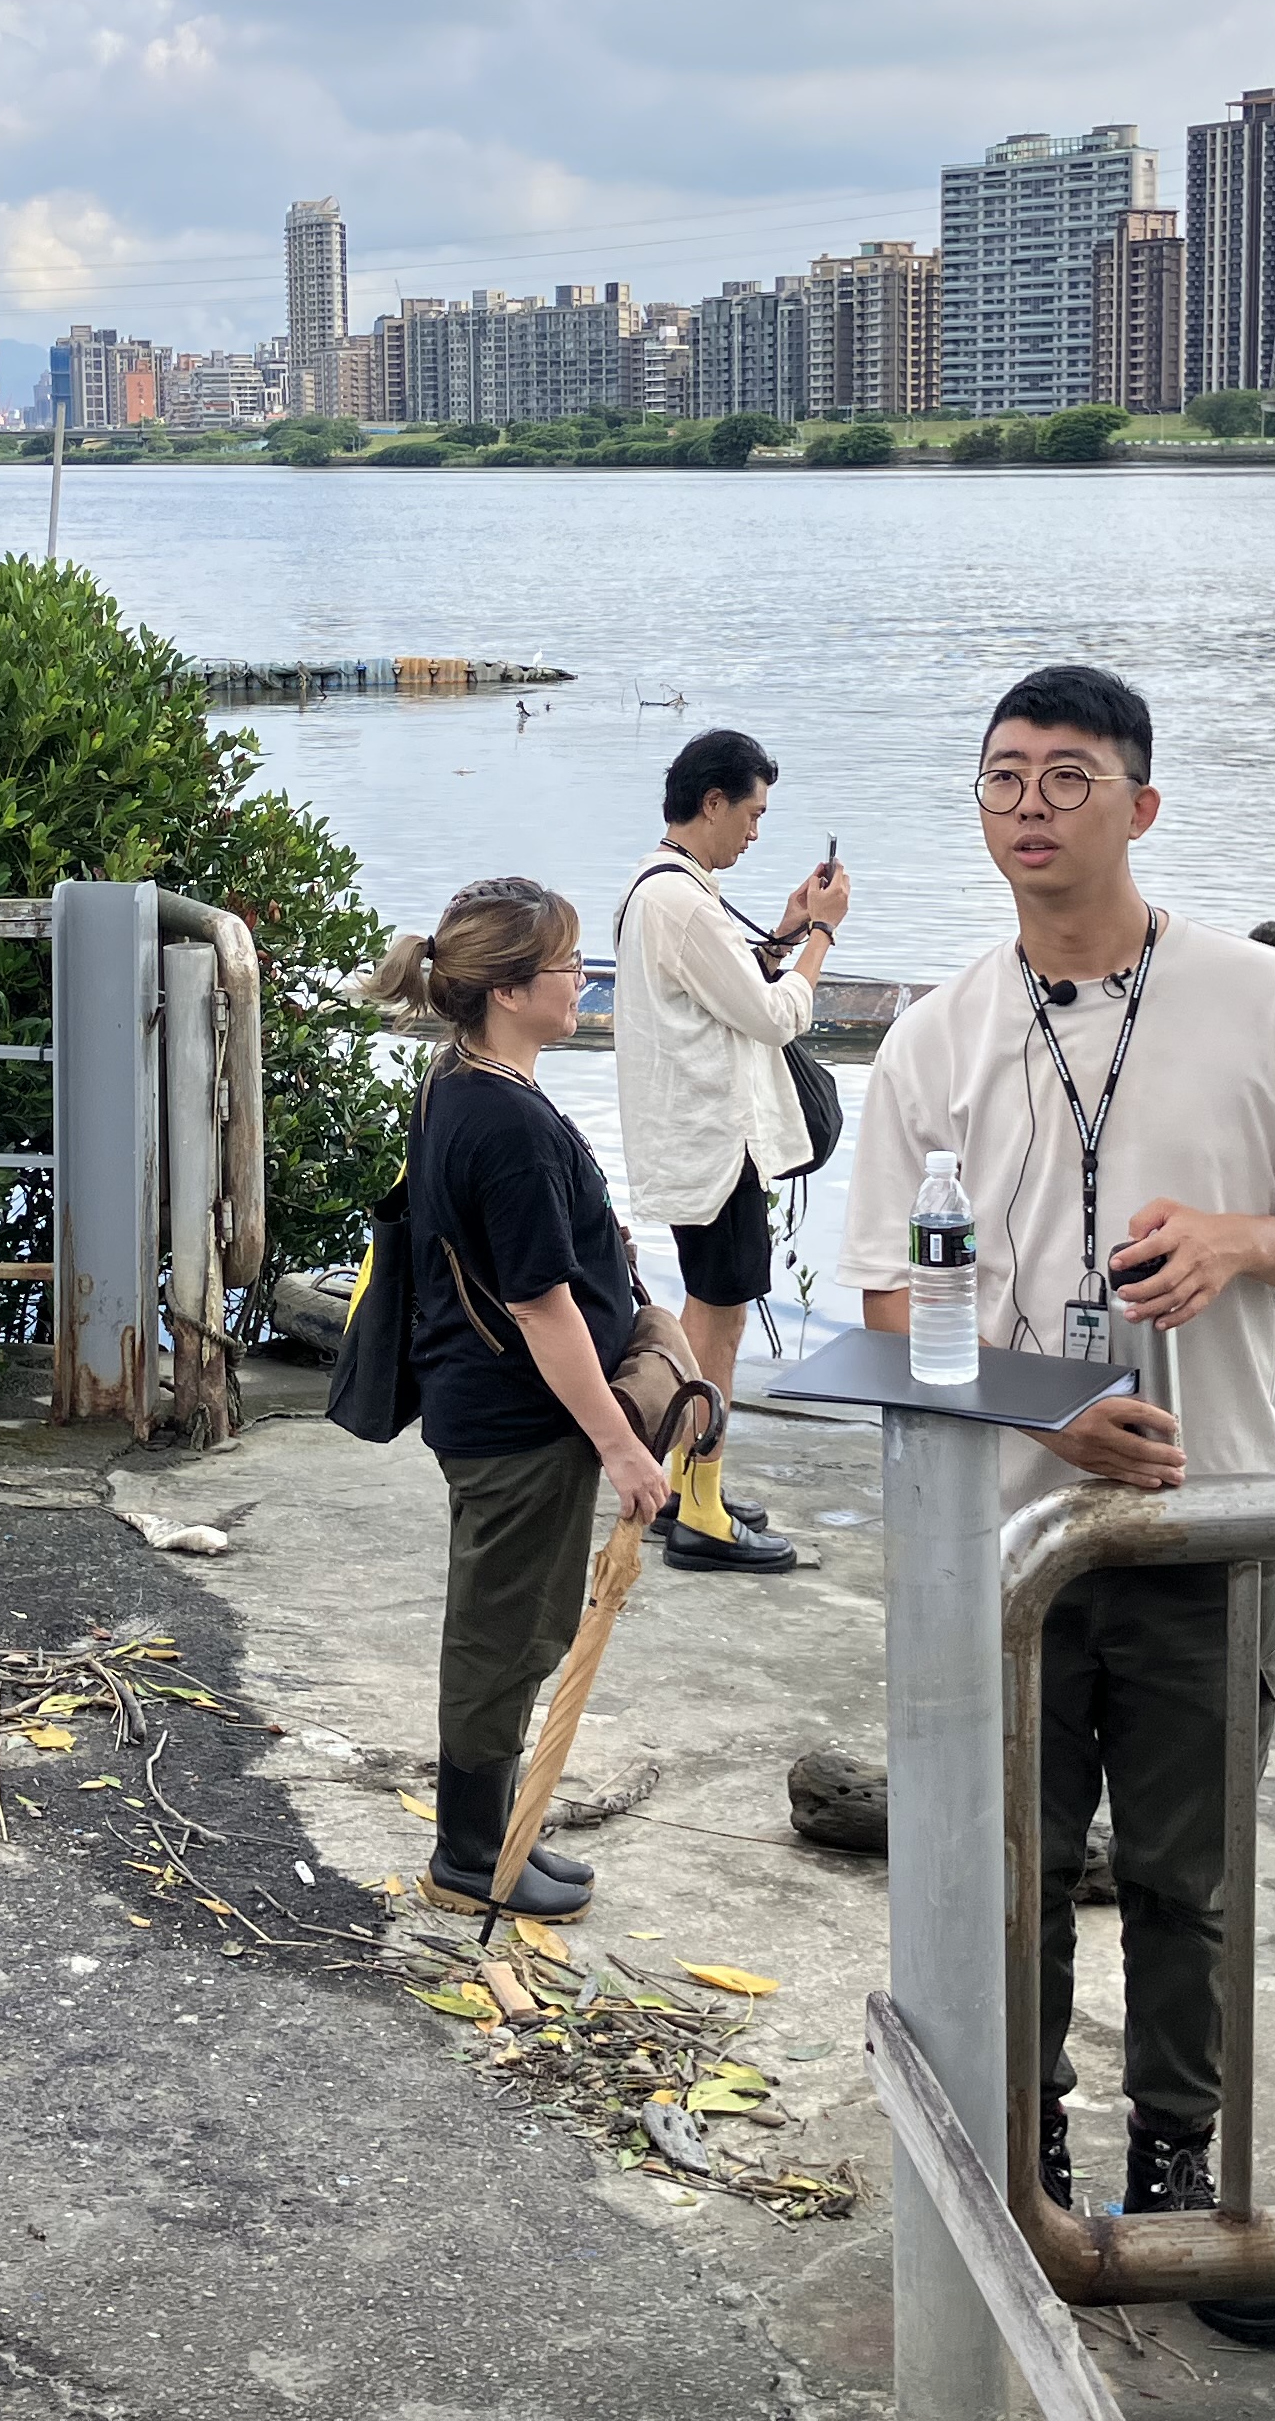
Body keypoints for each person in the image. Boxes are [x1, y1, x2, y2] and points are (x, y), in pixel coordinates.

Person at [839, 662, 1275, 2352]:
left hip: (1211, 1522)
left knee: (1187, 1880)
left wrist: (1234, 1240)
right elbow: (882, 1301)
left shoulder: (1265, 1004)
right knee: (1010, 1875)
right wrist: (1048, 1408)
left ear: (1141, 805)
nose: (1030, 804)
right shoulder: (937, 1035)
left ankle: (1181, 2178)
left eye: (1068, 775)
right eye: (1003, 774)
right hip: (1008, 1539)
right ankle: (1029, 2165)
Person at [367, 877, 667, 1921]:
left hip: (492, 1402)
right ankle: (468, 1855)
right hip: (517, 1420)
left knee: (514, 1626)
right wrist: (621, 1444)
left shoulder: (463, 1078)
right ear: (506, 989)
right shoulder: (504, 1122)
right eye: (567, 967)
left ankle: (494, 1835)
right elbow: (540, 1308)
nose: (582, 981)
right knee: (503, 1636)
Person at [610, 727, 850, 1574]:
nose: (754, 832)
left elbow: (725, 989)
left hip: (696, 1139)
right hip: (717, 1144)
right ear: (712, 803)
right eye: (752, 814)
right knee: (720, 1319)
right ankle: (702, 1510)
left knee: (710, 1308)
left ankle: (683, 1486)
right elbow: (775, 1016)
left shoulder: (661, 886)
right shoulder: (680, 900)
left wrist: (783, 932)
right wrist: (821, 937)